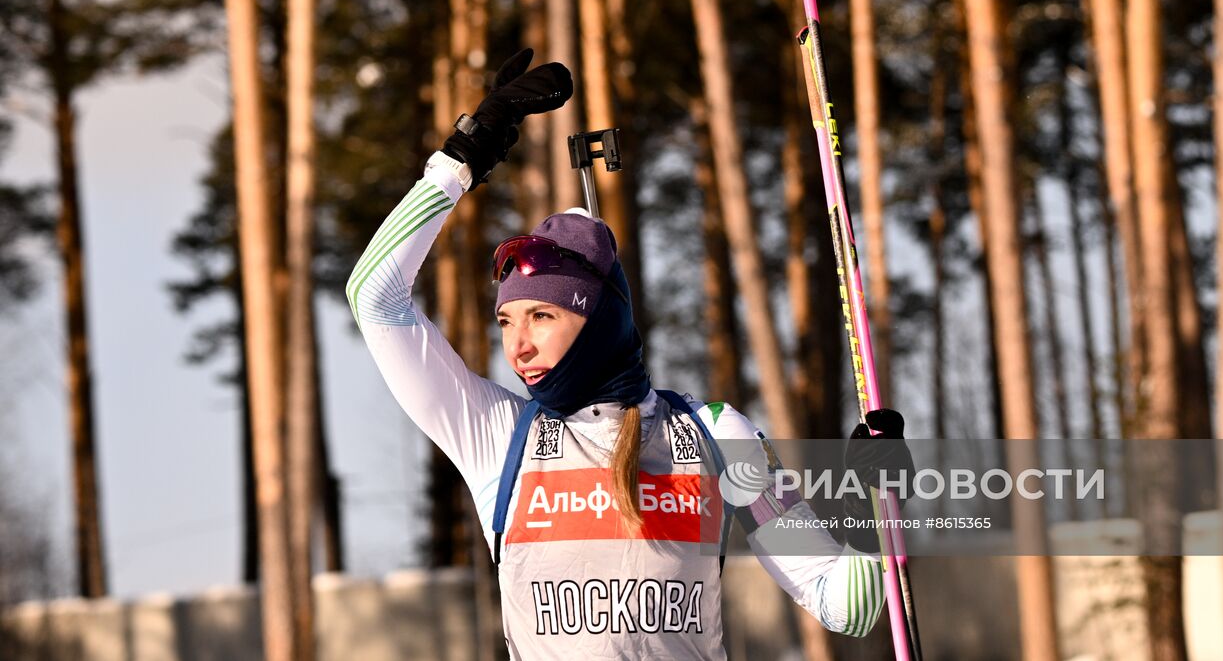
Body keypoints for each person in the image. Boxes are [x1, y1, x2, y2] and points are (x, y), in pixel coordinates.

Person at [347, 49, 908, 658]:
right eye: (506, 320)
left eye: (543, 316)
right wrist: (462, 159)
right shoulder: (497, 435)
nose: (518, 344)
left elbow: (846, 604)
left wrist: (868, 504)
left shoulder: (713, 434)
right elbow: (374, 297)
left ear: (599, 321)